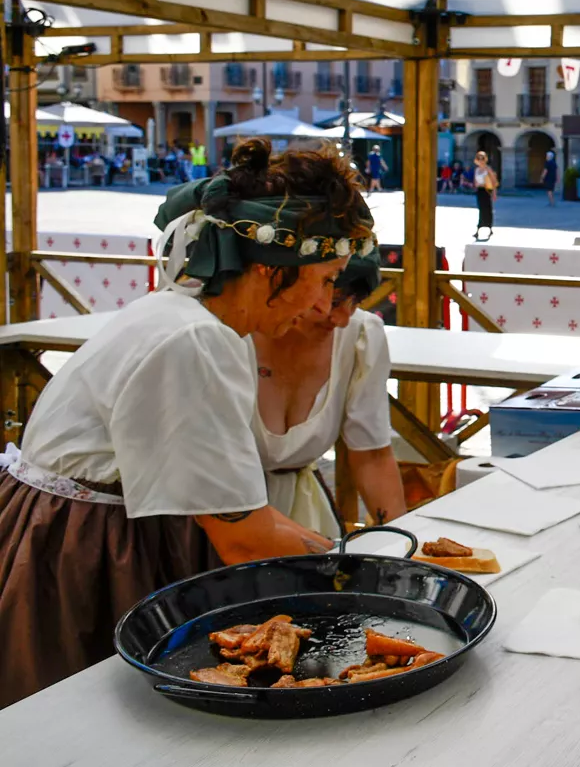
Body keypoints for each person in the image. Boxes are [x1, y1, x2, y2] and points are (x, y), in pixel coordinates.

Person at [0, 138, 375, 707]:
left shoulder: (180, 317)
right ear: (277, 267)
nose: (326, 306)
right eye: (326, 278)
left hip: (85, 533)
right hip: (85, 555)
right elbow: (243, 538)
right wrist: (357, 586)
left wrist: (340, 555)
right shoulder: (195, 341)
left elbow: (239, 511)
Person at [250, 250, 407, 539]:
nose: (342, 319)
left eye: (356, 303)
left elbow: (372, 456)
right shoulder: (231, 332)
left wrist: (401, 545)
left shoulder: (360, 336)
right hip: (214, 517)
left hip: (305, 514)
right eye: (334, 301)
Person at [472, 150, 497, 241]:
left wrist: (494, 193)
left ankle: (490, 228)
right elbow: (475, 181)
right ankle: (478, 229)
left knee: (488, 210)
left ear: (485, 159)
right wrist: (475, 186)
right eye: (479, 158)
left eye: (482, 158)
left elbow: (494, 182)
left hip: (487, 191)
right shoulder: (477, 170)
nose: (481, 160)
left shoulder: (488, 169)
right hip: (479, 191)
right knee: (481, 210)